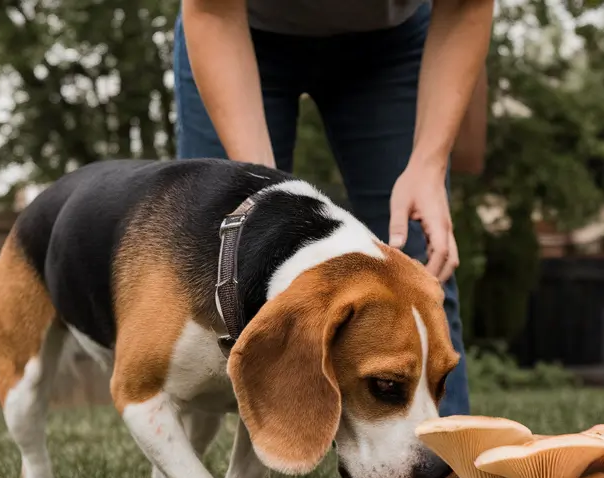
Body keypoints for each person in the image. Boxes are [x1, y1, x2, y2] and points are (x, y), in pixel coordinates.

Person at [172, 0, 493, 418]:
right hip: (237, 32)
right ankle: (196, 473)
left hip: (393, 48)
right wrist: (265, 193)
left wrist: (429, 165)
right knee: (219, 267)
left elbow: (466, 7)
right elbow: (211, 11)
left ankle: (442, 474)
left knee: (419, 264)